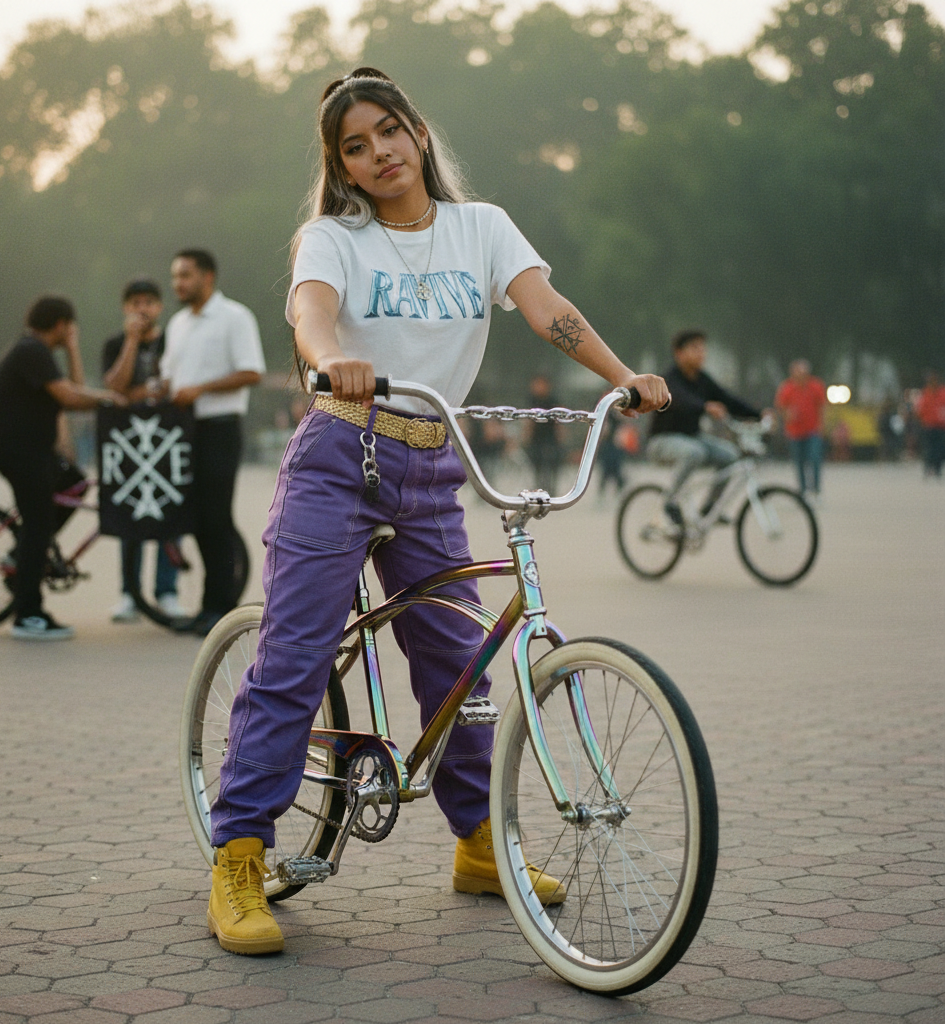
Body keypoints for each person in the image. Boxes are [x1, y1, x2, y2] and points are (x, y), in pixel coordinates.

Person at [203, 67, 669, 956]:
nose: (377, 153)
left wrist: (623, 379)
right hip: (341, 452)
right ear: (341, 167)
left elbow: (549, 311)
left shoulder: (481, 229)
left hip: (429, 463)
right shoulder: (332, 239)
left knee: (461, 667)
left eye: (388, 132)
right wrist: (332, 355)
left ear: (417, 133)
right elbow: (313, 313)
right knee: (297, 655)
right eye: (354, 147)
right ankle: (239, 852)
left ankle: (479, 843)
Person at [0, 296, 126, 640]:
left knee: (74, 482)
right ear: (61, 324)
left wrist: (73, 349)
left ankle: (24, 553)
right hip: (18, 452)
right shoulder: (31, 350)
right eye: (70, 328)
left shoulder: (38, 352)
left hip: (33, 452)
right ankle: (28, 614)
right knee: (38, 523)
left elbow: (73, 388)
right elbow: (71, 398)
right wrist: (108, 397)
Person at [160, 250, 264, 636]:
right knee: (198, 520)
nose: (178, 284)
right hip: (185, 432)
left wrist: (200, 389)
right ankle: (208, 607)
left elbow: (252, 371)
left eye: (185, 275)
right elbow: (170, 378)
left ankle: (220, 608)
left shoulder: (234, 317)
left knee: (216, 519)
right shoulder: (177, 324)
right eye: (175, 276)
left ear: (208, 276)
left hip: (220, 428)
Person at [101, 278, 185, 623]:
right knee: (129, 515)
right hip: (128, 441)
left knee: (171, 513)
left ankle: (167, 591)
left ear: (160, 307)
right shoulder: (115, 344)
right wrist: (133, 342)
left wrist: (144, 392)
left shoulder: (174, 340)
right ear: (125, 307)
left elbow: (175, 385)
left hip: (169, 440)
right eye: (135, 302)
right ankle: (129, 593)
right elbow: (115, 389)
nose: (142, 309)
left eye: (149, 302)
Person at [647, 330, 761, 523]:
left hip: (693, 437)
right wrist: (705, 406)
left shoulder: (703, 380)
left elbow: (727, 399)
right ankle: (670, 501)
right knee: (694, 452)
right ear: (679, 353)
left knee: (730, 456)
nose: (701, 353)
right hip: (662, 441)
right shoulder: (669, 379)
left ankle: (710, 507)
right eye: (695, 348)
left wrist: (758, 415)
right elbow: (679, 400)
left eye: (703, 348)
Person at [775, 359, 826, 501]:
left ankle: (816, 490)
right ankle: (803, 490)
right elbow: (780, 407)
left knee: (814, 458)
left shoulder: (816, 386)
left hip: (812, 431)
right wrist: (788, 415)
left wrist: (822, 426)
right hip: (794, 431)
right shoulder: (787, 388)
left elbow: (822, 407)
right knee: (799, 462)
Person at [524, 373, 564, 493]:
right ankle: (539, 487)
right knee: (537, 464)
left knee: (552, 464)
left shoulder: (553, 401)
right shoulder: (532, 400)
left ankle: (551, 488)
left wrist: (560, 436)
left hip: (550, 437)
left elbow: (559, 421)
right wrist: (526, 436)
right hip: (536, 438)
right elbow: (528, 421)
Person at [915, 370, 945, 478]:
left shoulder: (942, 393)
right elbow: (920, 410)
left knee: (940, 449)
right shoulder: (925, 393)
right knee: (929, 448)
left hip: (941, 426)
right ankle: (927, 468)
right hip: (928, 426)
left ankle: (937, 469)